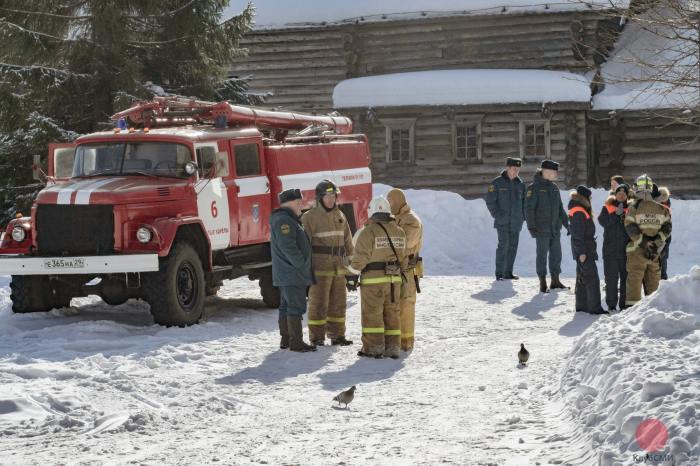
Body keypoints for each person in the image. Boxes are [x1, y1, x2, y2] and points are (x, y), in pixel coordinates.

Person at [346, 196, 407, 359]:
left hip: (374, 281)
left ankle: (374, 347)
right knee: (392, 314)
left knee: (372, 314)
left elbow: (360, 259)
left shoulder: (368, 232)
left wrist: (351, 275)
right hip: (394, 281)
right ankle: (393, 347)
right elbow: (403, 258)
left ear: (371, 212)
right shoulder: (400, 232)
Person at [301, 180, 354, 346]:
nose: (331, 199)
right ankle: (316, 338)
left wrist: (352, 270)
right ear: (319, 197)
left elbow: (348, 242)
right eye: (327, 196)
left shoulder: (340, 215)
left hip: (339, 269)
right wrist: (305, 270)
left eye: (333, 195)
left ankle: (337, 336)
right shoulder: (309, 217)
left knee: (339, 305)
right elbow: (304, 246)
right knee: (318, 304)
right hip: (320, 270)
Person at [270, 188, 316, 352]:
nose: (300, 207)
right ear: (289, 203)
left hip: (287, 273)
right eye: (298, 203)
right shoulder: (285, 221)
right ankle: (295, 341)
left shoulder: (286, 219)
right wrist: (302, 264)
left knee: (286, 305)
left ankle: (287, 340)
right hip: (292, 273)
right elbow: (289, 247)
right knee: (295, 306)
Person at [624, 174, 672, 307]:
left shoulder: (634, 207)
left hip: (636, 252)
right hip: (654, 253)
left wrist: (644, 243)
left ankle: (631, 309)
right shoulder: (662, 208)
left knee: (634, 280)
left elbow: (629, 226)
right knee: (653, 282)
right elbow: (667, 227)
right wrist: (655, 243)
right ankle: (652, 310)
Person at [387, 188, 423, 352]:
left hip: (408, 270)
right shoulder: (394, 218)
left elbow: (405, 244)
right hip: (395, 269)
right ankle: (395, 339)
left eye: (391, 202)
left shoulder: (411, 220)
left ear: (398, 201)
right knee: (394, 305)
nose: (389, 206)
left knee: (406, 306)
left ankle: (406, 342)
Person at [525, 160, 570, 293]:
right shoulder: (534, 188)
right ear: (545, 171)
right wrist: (531, 227)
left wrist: (567, 224)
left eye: (555, 172)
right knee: (542, 255)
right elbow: (529, 209)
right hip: (541, 228)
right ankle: (542, 282)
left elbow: (560, 209)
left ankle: (555, 281)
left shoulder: (554, 188)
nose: (555, 174)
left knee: (556, 254)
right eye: (553, 172)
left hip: (555, 228)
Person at [485, 157, 526, 281]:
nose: (516, 171)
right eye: (514, 169)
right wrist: (498, 215)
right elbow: (490, 202)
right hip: (502, 222)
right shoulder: (497, 183)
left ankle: (508, 272)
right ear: (507, 168)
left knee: (513, 246)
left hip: (516, 222)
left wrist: (523, 217)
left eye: (518, 169)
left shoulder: (521, 184)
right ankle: (499, 273)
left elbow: (525, 203)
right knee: (503, 245)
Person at [568, 185, 606, 314]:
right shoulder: (579, 210)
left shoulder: (578, 208)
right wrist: (582, 252)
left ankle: (582, 306)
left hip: (584, 249)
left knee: (582, 278)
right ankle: (595, 308)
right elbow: (577, 234)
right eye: (589, 197)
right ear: (584, 197)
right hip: (584, 250)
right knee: (591, 278)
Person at [598, 184, 630, 311]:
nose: (621, 195)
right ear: (615, 194)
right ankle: (611, 305)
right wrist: (616, 215)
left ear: (627, 195)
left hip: (625, 251)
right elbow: (603, 222)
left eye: (624, 193)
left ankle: (624, 304)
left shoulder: (631, 208)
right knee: (611, 278)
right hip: (610, 250)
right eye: (619, 193)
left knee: (625, 278)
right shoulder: (607, 207)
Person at [652, 184, 672, 280]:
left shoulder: (664, 207)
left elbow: (667, 226)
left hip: (663, 238)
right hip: (659, 237)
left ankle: (663, 281)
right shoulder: (660, 206)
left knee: (662, 262)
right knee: (658, 262)